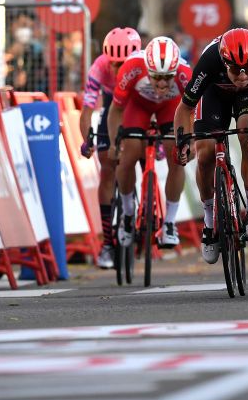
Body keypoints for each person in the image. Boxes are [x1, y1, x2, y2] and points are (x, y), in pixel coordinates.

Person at [174, 28, 248, 264]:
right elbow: (185, 108)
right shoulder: (210, 60)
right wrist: (183, 139)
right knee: (205, 153)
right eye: (235, 69)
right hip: (215, 94)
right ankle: (209, 221)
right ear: (224, 61)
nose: (242, 75)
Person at [107, 36, 190, 249]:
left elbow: (194, 114)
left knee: (177, 157)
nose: (162, 83)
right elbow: (115, 110)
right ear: (148, 69)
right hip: (138, 107)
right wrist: (115, 144)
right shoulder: (132, 68)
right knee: (128, 156)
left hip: (170, 108)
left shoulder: (185, 74)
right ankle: (127, 213)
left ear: (175, 71)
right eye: (156, 77)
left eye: (167, 78)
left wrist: (192, 143)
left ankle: (170, 223)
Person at [80, 26, 142, 269]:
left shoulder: (144, 64)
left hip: (139, 101)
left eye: (123, 63)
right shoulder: (98, 67)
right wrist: (88, 140)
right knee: (107, 169)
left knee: (144, 151)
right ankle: (107, 243)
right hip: (112, 104)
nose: (118, 69)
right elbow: (87, 111)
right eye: (114, 64)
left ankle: (147, 214)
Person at [5, 10, 48, 93]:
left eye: (29, 27)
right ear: (12, 24)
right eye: (23, 25)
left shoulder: (35, 49)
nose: (26, 30)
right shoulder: (1, 46)